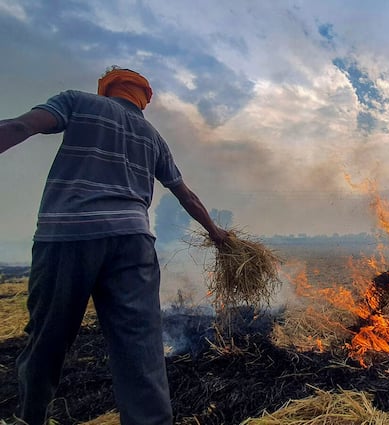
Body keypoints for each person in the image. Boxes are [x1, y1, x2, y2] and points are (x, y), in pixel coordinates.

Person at [0, 66, 230, 425]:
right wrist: (217, 234)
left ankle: (30, 418)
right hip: (134, 243)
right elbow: (186, 195)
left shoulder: (77, 102)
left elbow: (21, 126)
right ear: (143, 101)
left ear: (107, 90)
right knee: (141, 352)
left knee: (47, 340)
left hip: (69, 237)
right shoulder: (152, 136)